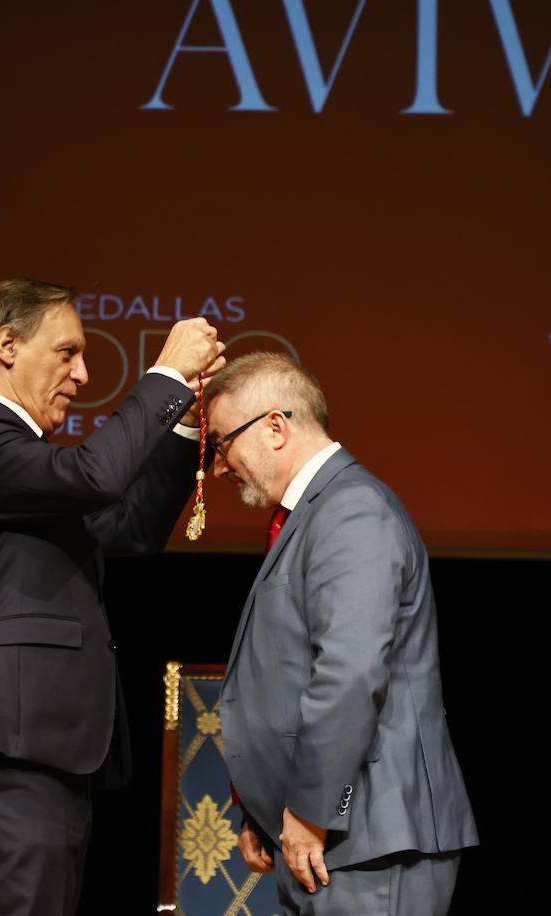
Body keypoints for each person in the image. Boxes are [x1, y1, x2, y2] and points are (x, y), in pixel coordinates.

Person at [0, 278, 223, 916]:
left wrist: (185, 422)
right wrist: (165, 373)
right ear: (6, 345)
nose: (82, 374)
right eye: (67, 353)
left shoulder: (19, 461)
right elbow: (97, 474)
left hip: (39, 748)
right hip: (4, 746)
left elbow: (130, 528)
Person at [207, 352, 478, 915]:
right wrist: (266, 812)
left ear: (275, 427)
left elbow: (350, 676)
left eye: (221, 442)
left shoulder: (352, 512)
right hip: (332, 840)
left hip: (366, 840)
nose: (219, 466)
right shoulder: (317, 513)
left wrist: (311, 810)